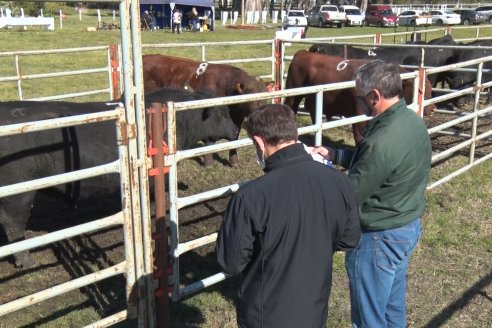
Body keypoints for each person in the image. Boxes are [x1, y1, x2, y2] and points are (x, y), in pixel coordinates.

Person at [216, 104, 361, 328]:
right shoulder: (341, 182)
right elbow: (348, 239)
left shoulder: (250, 197)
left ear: (259, 141)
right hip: (314, 308)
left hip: (265, 314)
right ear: (294, 134)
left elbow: (231, 262)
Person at [311, 60, 432, 328]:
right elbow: (380, 164)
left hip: (378, 236)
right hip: (405, 225)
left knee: (369, 318)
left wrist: (318, 178)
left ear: (374, 96)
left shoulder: (382, 139)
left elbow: (351, 194)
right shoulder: (411, 121)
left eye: (359, 96)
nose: (358, 102)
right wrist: (337, 154)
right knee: (391, 308)